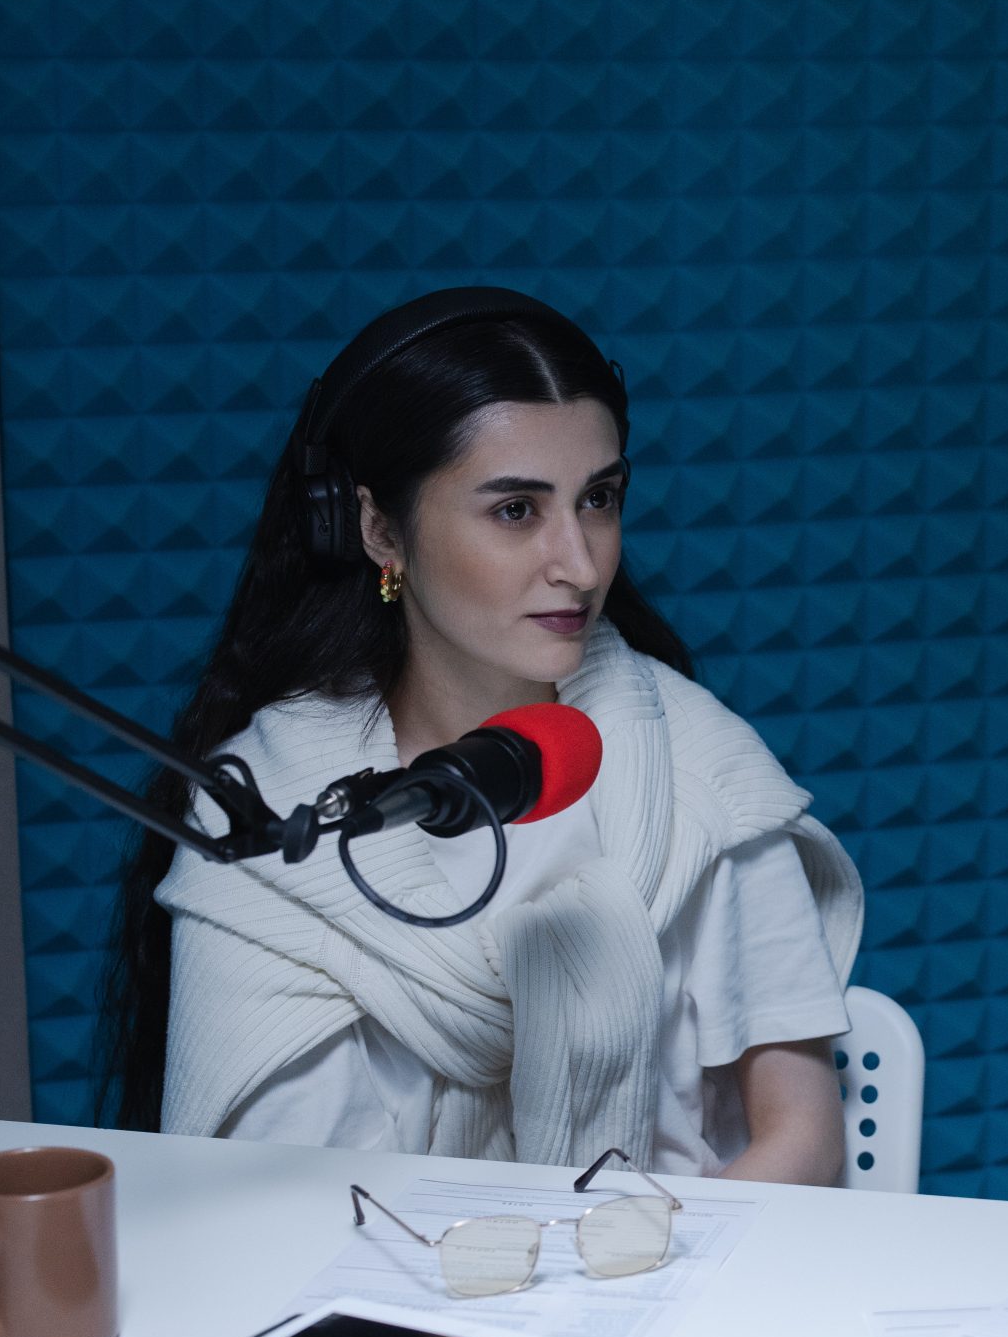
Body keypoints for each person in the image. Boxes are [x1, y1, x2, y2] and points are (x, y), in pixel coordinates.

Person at [101, 289, 860, 1183]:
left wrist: (618, 1292)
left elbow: (804, 1142)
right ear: (380, 527)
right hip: (373, 1314)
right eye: (515, 510)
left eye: (599, 500)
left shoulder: (703, 772)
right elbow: (274, 1198)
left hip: (673, 1294)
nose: (580, 564)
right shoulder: (270, 809)